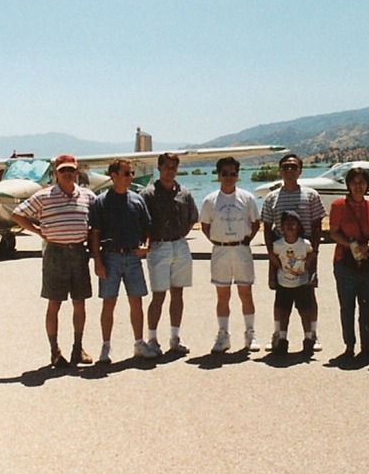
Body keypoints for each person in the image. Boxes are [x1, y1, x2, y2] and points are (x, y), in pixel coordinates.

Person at [12, 153, 96, 368]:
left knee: (80, 302)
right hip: (55, 254)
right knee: (54, 303)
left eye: (71, 170)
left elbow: (98, 222)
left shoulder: (88, 196)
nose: (67, 174)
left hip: (79, 252)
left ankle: (78, 349)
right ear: (55, 173)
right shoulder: (44, 196)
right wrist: (38, 231)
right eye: (63, 170)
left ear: (77, 171)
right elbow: (17, 214)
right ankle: (55, 351)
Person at [88, 158, 156, 364]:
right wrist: (97, 260)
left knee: (136, 301)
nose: (130, 177)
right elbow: (95, 234)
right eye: (126, 173)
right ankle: (106, 346)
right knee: (109, 303)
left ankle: (139, 343)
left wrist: (146, 246)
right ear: (114, 176)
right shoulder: (100, 202)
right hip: (110, 257)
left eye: (131, 173)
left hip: (133, 257)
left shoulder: (137, 200)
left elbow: (147, 227)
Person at [261, 153, 326, 352]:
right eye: (286, 167)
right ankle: (279, 336)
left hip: (305, 254)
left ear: (300, 170)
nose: (290, 171)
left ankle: (312, 335)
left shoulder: (311, 195)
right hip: (280, 256)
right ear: (280, 171)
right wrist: (271, 256)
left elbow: (317, 226)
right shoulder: (272, 197)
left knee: (308, 298)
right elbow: (267, 229)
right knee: (281, 300)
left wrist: (314, 253)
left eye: (294, 167)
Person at [201, 156, 262, 353]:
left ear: (238, 175)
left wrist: (245, 240)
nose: (229, 177)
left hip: (241, 250)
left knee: (245, 293)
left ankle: (250, 333)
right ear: (218, 175)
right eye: (224, 173)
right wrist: (219, 241)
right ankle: (223, 334)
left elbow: (255, 223)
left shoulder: (247, 198)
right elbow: (205, 225)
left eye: (232, 173)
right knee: (222, 295)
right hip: (220, 251)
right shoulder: (210, 200)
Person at [140, 152, 198, 356]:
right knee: (158, 294)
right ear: (159, 168)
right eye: (166, 167)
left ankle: (175, 337)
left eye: (174, 167)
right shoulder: (148, 194)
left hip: (180, 245)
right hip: (159, 247)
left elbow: (192, 218)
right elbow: (142, 223)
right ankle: (152, 338)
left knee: (178, 292)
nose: (170, 171)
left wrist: (181, 235)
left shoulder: (184, 193)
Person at [328, 166, 369, 358]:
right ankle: (349, 345)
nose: (358, 186)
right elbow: (333, 232)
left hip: (367, 262)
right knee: (347, 306)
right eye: (354, 182)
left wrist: (368, 246)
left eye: (362, 182)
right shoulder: (339, 205)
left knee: (367, 306)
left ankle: (366, 345)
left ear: (367, 184)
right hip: (344, 262)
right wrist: (351, 246)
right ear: (348, 184)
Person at [269, 210, 316, 354]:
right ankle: (282, 338)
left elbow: (311, 256)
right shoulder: (277, 244)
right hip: (284, 283)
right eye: (286, 224)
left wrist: (311, 275)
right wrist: (272, 277)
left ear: (299, 226)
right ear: (281, 227)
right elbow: (274, 261)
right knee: (283, 312)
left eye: (293, 223)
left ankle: (309, 338)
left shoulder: (305, 244)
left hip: (301, 283)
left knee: (305, 311)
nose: (290, 226)